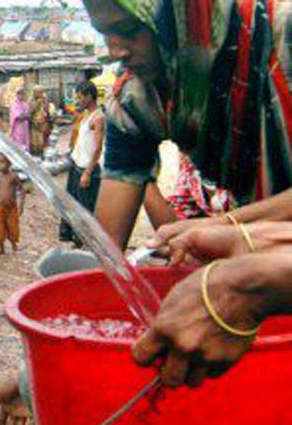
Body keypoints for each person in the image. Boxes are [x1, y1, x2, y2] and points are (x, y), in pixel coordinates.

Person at [81, 0, 292, 390]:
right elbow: (104, 254)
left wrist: (228, 227)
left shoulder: (281, 36)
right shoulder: (139, 96)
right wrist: (50, 355)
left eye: (128, 30)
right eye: (104, 34)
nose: (115, 51)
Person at [59, 80, 104, 246]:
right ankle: (77, 240)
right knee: (74, 205)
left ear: (90, 96)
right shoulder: (86, 116)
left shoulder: (98, 118)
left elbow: (97, 148)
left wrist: (87, 173)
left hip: (86, 169)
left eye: (80, 97)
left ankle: (87, 242)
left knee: (85, 208)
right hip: (77, 166)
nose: (78, 101)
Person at [0, 154, 24, 254]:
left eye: (2, 162)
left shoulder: (13, 176)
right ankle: (1, 248)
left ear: (9, 164)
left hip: (12, 206)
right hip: (0, 205)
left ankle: (14, 245)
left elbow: (22, 190)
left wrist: (21, 205)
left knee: (12, 227)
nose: (0, 165)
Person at [28, 85, 51, 157]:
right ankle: (34, 154)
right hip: (34, 123)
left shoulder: (44, 99)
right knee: (34, 140)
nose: (41, 94)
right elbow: (30, 112)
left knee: (41, 140)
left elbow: (47, 111)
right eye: (39, 92)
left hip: (42, 123)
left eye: (42, 92)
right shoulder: (31, 100)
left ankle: (41, 153)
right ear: (35, 92)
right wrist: (37, 104)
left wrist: (45, 103)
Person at [9, 87, 30, 152]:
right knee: (18, 141)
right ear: (17, 94)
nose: (22, 95)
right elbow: (17, 116)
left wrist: (25, 116)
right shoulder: (14, 104)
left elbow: (28, 114)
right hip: (17, 126)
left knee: (25, 140)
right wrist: (23, 116)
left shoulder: (24, 104)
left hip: (24, 126)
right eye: (20, 94)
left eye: (23, 94)